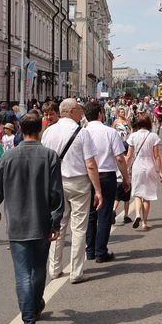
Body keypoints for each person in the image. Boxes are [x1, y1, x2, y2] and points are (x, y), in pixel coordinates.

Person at [0, 112, 64, 324]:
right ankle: (36, 305)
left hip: (18, 224)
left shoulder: (9, 157)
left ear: (20, 129)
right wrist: (56, 221)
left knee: (22, 273)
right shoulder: (50, 156)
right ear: (39, 130)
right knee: (38, 269)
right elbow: (56, 195)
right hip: (41, 222)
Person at [41, 98, 102, 284]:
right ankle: (76, 272)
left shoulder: (49, 132)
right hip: (78, 184)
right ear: (71, 111)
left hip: (55, 184)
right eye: (78, 109)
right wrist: (98, 190)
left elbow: (44, 160)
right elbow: (90, 165)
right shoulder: (82, 133)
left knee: (57, 225)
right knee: (79, 228)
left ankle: (54, 268)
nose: (81, 112)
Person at [83, 101, 130, 262]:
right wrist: (126, 178)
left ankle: (89, 250)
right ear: (100, 114)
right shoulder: (110, 132)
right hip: (106, 176)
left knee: (90, 215)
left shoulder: (82, 132)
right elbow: (119, 158)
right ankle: (100, 252)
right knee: (104, 214)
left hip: (87, 176)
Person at [125, 114, 162, 230]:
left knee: (137, 194)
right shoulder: (153, 136)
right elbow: (157, 156)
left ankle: (137, 215)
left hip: (137, 166)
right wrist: (160, 171)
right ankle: (144, 222)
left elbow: (129, 155)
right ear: (148, 123)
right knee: (147, 196)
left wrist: (125, 170)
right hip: (149, 166)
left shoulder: (133, 136)